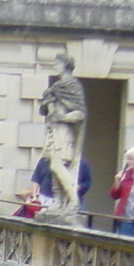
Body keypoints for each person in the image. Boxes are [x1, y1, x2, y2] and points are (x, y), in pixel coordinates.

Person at [37, 52, 87, 220]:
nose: (54, 66)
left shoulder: (72, 86)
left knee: (57, 166)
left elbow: (80, 113)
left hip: (64, 131)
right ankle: (58, 201)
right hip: (53, 130)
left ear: (66, 65)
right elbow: (47, 109)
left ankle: (73, 199)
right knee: (53, 166)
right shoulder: (56, 87)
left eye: (57, 63)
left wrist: (63, 117)